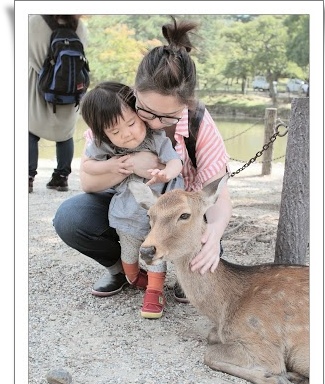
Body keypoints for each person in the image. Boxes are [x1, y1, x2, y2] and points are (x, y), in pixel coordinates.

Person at [53, 16, 232, 304]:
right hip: (131, 207)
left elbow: (218, 192)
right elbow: (87, 182)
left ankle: (179, 272)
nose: (156, 123)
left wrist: (214, 233)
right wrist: (127, 165)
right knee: (71, 217)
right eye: (147, 111)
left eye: (168, 116)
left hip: (178, 216)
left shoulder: (199, 124)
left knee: (207, 253)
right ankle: (119, 269)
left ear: (186, 106)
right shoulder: (117, 113)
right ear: (133, 93)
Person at [80, 81, 184, 318]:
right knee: (129, 256)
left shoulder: (156, 138)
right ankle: (135, 278)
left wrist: (166, 172)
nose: (127, 134)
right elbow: (87, 166)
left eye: (131, 123)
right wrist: (111, 164)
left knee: (155, 251)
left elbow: (175, 160)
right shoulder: (101, 144)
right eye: (115, 132)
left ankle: (155, 292)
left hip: (158, 212)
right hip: (127, 212)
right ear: (102, 133)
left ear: (138, 113)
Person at [28, 14, 88, 193]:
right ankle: (61, 179)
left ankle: (27, 177)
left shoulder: (35, 22)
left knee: (30, 130)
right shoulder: (80, 26)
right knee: (66, 133)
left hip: (38, 84)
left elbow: (29, 53)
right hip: (70, 89)